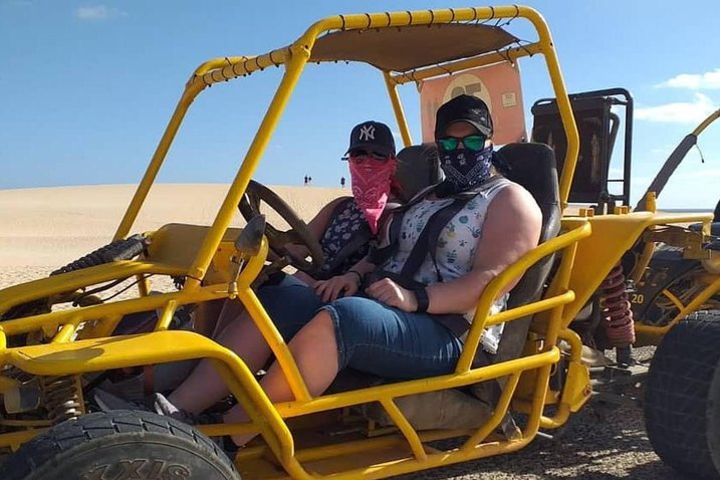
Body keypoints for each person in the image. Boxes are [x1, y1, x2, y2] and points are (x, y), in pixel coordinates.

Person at [95, 121, 400, 412]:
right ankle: (157, 385)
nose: (367, 162)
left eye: (377, 155)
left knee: (279, 298)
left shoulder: (396, 214)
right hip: (311, 290)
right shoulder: (340, 207)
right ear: (348, 160)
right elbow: (298, 244)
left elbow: (381, 256)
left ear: (392, 162)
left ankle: (179, 409)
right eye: (360, 154)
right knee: (226, 287)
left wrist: (348, 275)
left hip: (342, 307)